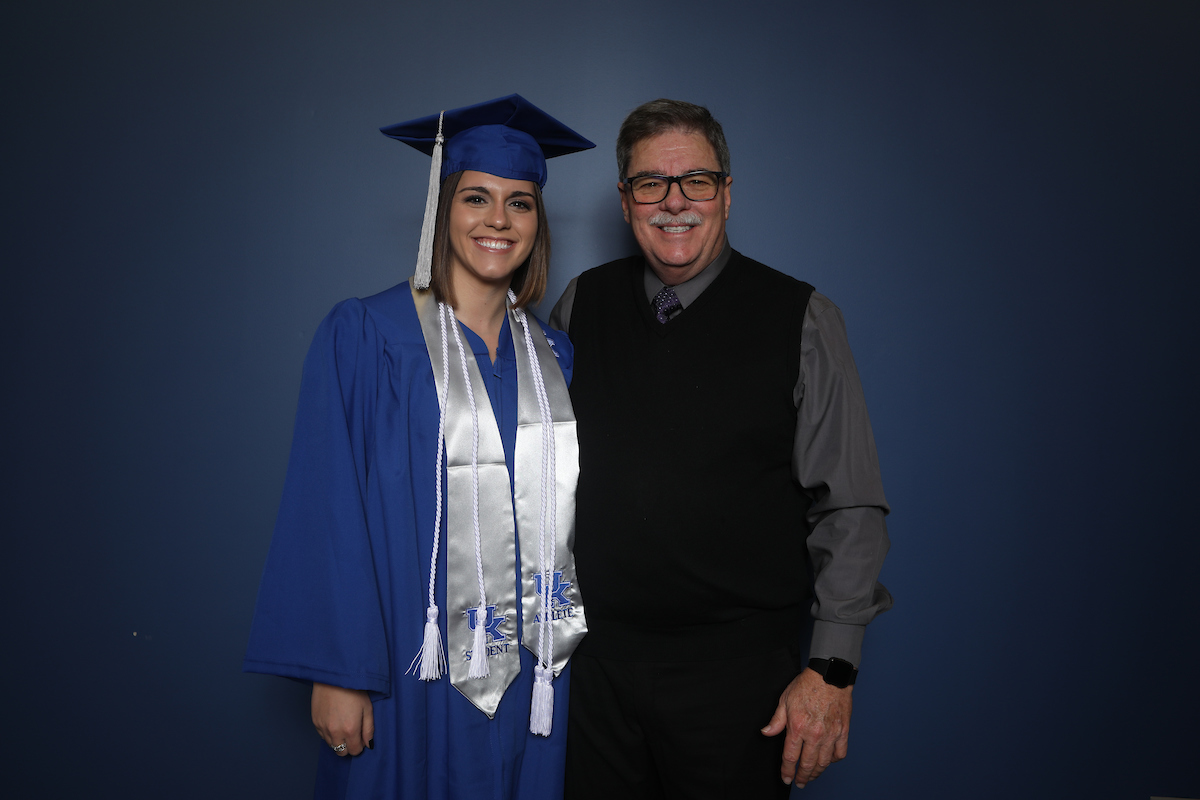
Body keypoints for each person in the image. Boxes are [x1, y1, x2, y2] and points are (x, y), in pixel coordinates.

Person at [244, 94, 593, 800]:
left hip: (531, 669)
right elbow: (328, 506)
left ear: (537, 222)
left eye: (520, 203)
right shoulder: (367, 335)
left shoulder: (553, 355)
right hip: (411, 660)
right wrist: (339, 672)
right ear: (443, 207)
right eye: (476, 198)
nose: (498, 220)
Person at [550, 98, 893, 798]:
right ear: (625, 202)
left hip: (737, 682)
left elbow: (849, 508)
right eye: (651, 183)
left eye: (696, 181)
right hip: (596, 674)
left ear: (726, 194)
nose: (674, 202)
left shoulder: (801, 318)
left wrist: (831, 671)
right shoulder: (580, 305)